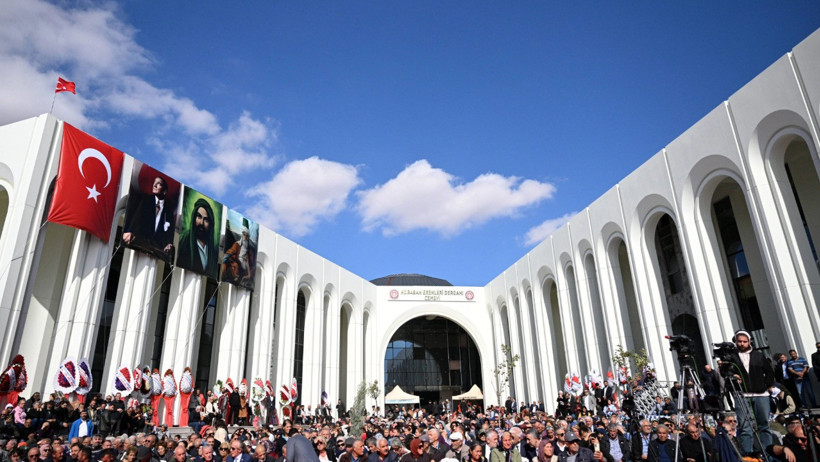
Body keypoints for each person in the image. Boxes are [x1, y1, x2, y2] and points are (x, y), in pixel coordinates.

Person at [727, 330, 775, 456]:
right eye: (739, 341)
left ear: (749, 342)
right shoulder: (732, 356)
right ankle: (747, 454)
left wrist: (766, 385)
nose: (742, 344)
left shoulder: (758, 355)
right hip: (741, 394)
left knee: (764, 424)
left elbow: (770, 371)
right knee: (744, 426)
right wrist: (733, 375)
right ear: (735, 341)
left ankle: (767, 453)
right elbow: (724, 372)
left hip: (761, 394)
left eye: (744, 341)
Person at [123, 175, 175, 260]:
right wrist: (129, 231)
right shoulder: (144, 200)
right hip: (137, 244)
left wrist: (168, 244)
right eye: (154, 183)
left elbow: (169, 234)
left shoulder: (168, 212)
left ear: (165, 191)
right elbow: (135, 218)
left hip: (156, 251)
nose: (154, 185)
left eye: (158, 184)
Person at [177, 198, 218, 277]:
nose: (201, 223)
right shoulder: (183, 241)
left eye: (206, 220)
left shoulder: (213, 251)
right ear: (194, 217)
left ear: (210, 224)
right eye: (199, 217)